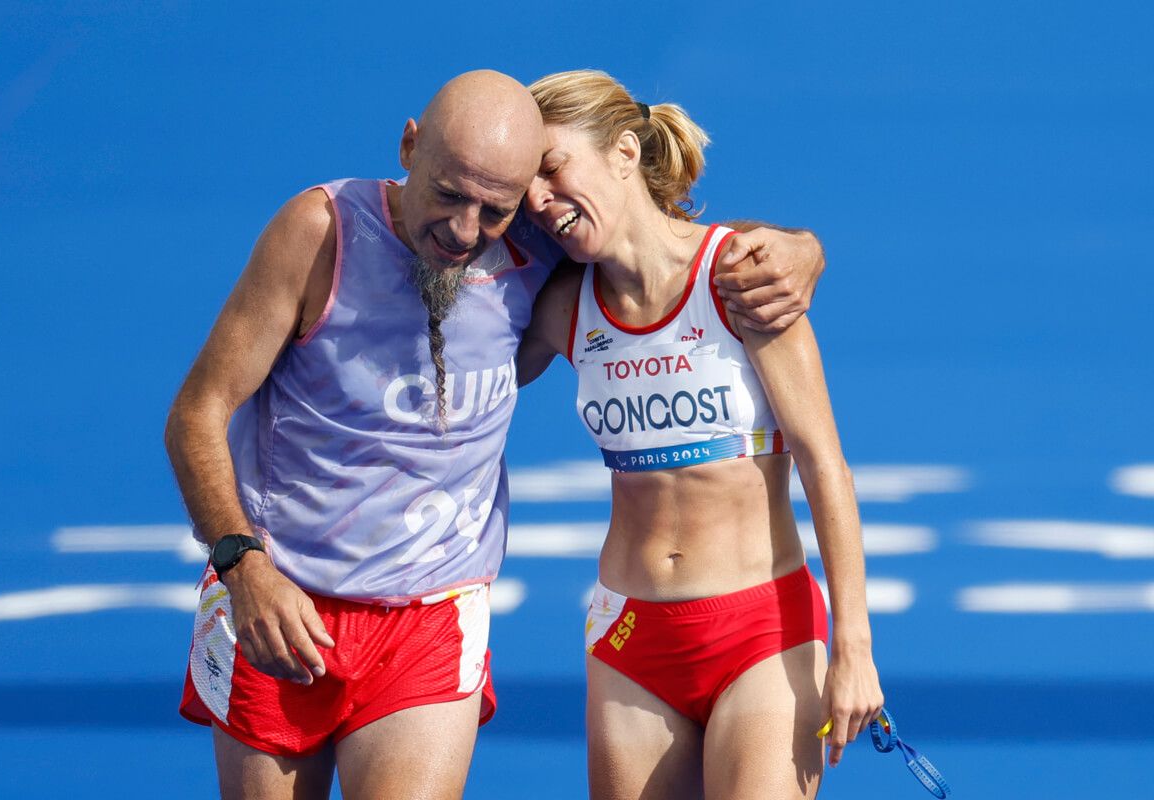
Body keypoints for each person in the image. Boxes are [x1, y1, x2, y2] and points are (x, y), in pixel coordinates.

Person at [164, 69, 827, 800]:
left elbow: (663, 244)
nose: (464, 230)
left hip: (434, 612)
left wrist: (798, 248)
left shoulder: (536, 249)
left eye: (495, 209)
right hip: (278, 600)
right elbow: (197, 410)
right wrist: (243, 567)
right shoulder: (320, 233)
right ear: (409, 147)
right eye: (448, 195)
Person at [516, 70, 883, 799]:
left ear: (625, 151)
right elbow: (455, 381)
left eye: (552, 168)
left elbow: (825, 465)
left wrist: (855, 648)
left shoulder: (743, 277)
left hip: (761, 632)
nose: (538, 199)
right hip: (629, 639)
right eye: (525, 185)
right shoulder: (560, 305)